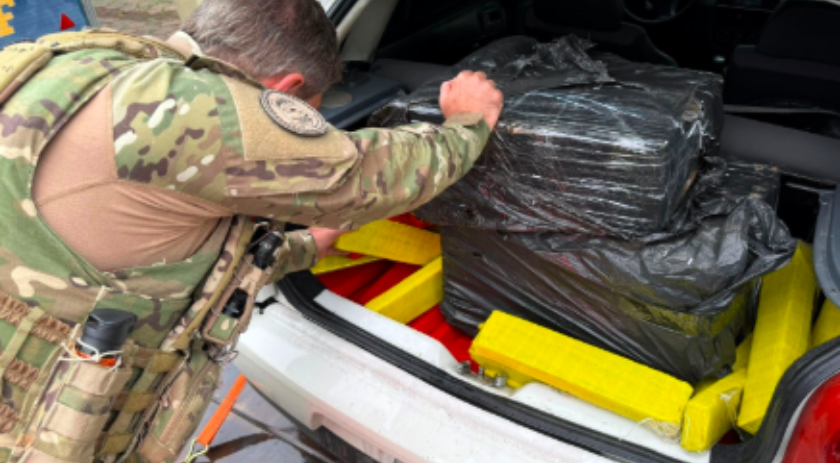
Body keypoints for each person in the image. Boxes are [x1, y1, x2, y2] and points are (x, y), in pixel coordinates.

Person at [0, 0, 501, 458]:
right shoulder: (192, 110)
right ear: (286, 90)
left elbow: (151, 237)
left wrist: (301, 248)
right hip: (31, 421)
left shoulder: (75, 59)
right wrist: (469, 121)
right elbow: (374, 177)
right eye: (311, 112)